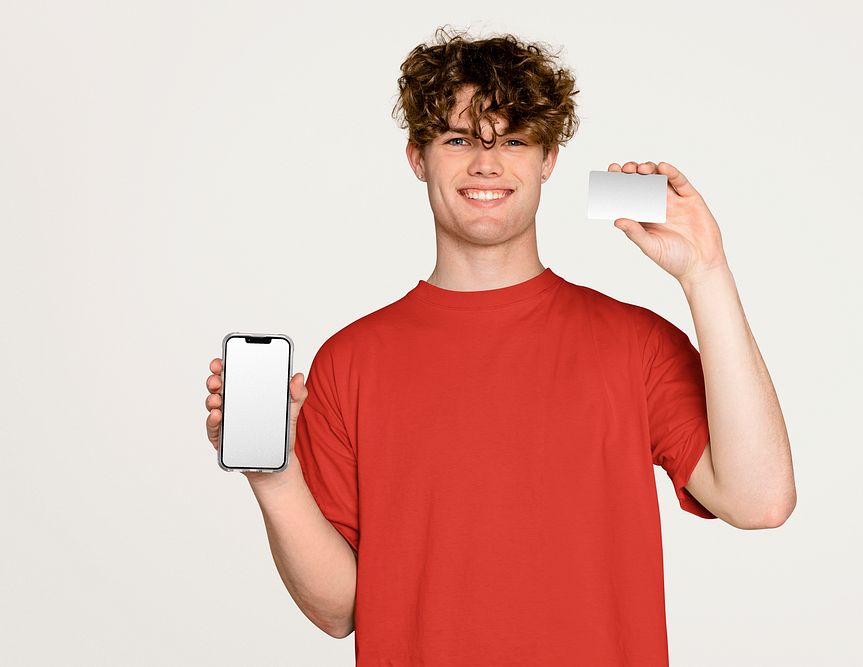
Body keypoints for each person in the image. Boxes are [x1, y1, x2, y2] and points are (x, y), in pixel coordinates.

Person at [204, 25, 795, 666]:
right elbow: (338, 609)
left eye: (512, 140)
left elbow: (759, 500)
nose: (487, 164)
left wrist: (705, 272)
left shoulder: (636, 343)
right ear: (417, 157)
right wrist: (274, 475)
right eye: (459, 140)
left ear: (549, 161)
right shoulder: (351, 361)